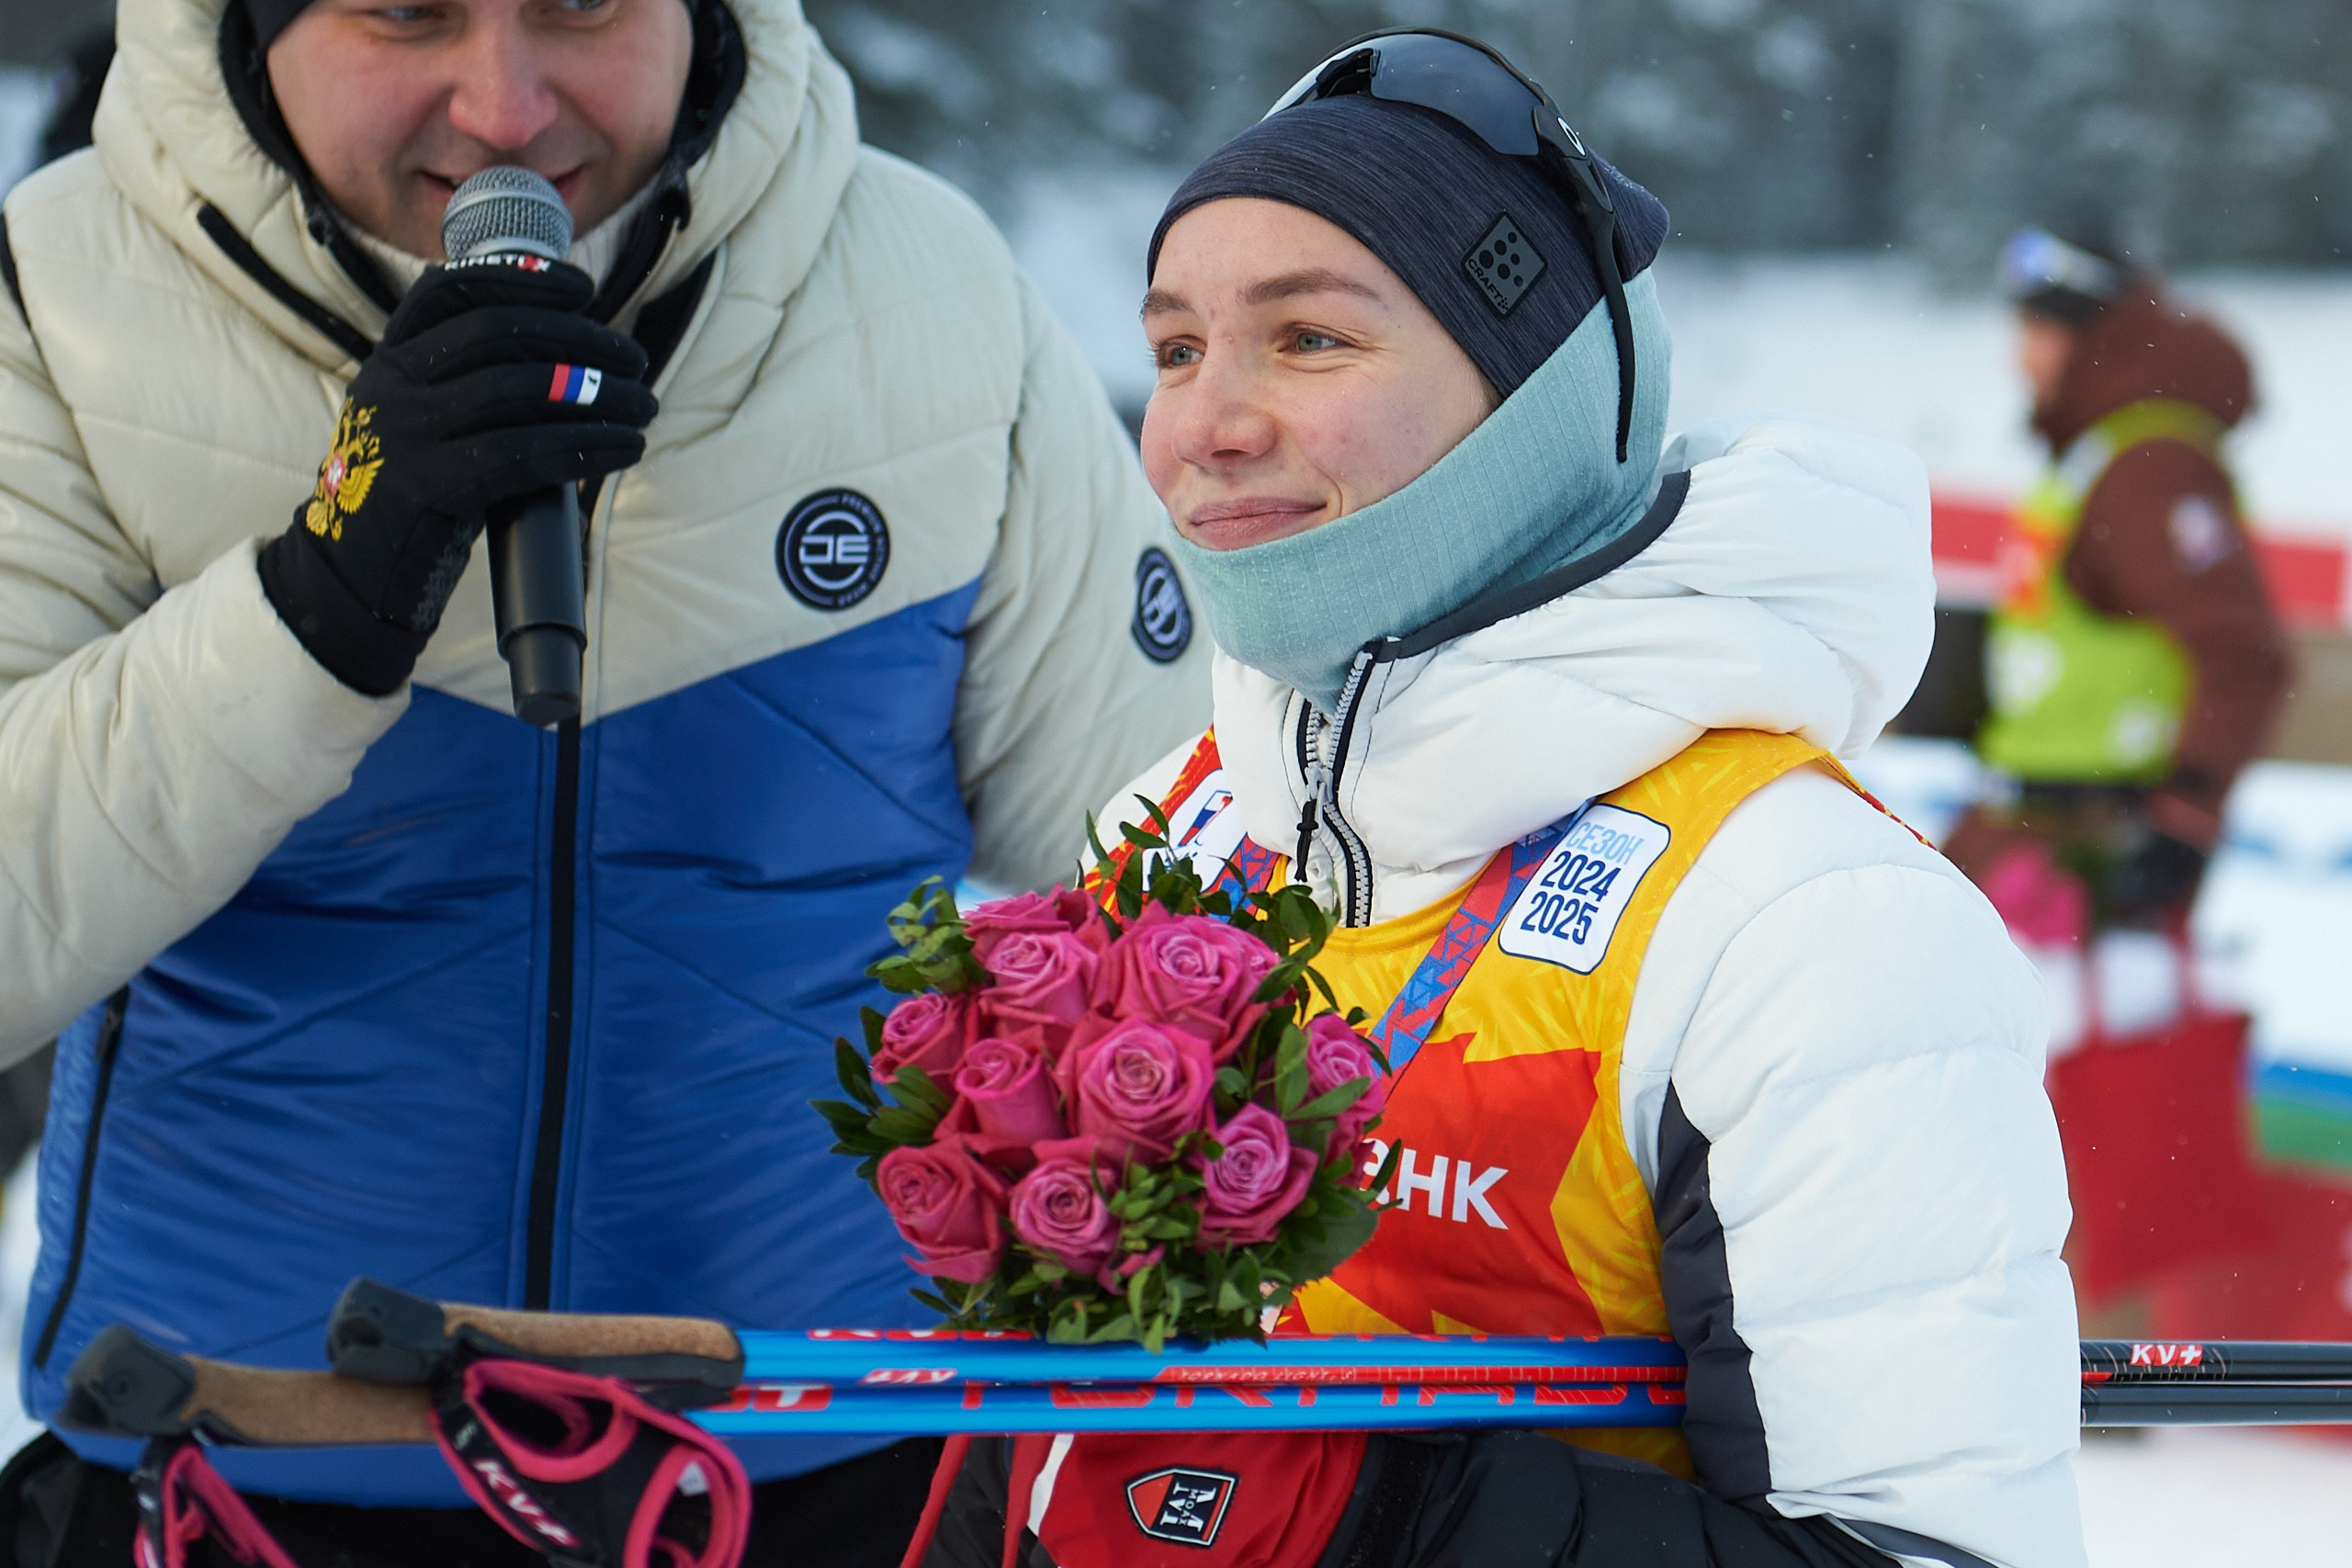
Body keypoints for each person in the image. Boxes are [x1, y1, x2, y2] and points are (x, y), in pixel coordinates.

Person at [0, 0, 1205, 1559]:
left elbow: (1176, 902)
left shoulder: (930, 290)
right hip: (236, 1456)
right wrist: (325, 594)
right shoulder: (60, 300)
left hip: (842, 1464)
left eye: (581, 5)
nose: (504, 106)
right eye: (405, 11)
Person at [915, 31, 2081, 1568]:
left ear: (1528, 399)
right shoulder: (1178, 824)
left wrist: (1385, 1512)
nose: (1207, 423)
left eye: (1309, 340)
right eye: (1180, 346)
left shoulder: (1803, 917)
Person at [1947, 228, 2289, 931]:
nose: (2021, 357)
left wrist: (2186, 816)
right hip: (2035, 837)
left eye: (2037, 331)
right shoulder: (2103, 456)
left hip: (2093, 860)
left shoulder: (2150, 466)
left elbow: (2241, 650)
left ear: (2095, 339)